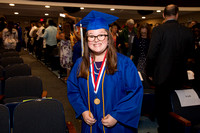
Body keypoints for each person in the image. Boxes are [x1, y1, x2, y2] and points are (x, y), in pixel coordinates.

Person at [67, 10, 143, 133]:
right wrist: (83, 110)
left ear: (108, 38)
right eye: (91, 36)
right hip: (90, 124)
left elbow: (135, 92)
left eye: (101, 35)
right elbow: (73, 89)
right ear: (87, 40)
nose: (96, 39)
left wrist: (117, 115)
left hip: (117, 126)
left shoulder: (124, 63)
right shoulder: (80, 63)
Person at [145, 4, 195, 133]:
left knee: (163, 106)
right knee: (177, 105)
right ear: (177, 14)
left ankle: (164, 130)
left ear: (163, 15)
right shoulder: (187, 31)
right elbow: (191, 54)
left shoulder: (158, 30)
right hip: (180, 77)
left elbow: (151, 55)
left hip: (162, 76)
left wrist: (149, 72)